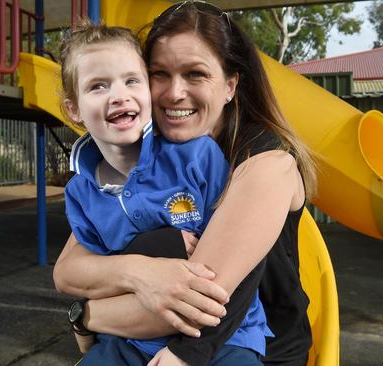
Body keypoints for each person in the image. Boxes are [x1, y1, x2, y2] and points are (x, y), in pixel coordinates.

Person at [53, 2, 318, 365]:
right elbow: (68, 271)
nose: (174, 93)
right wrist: (142, 272)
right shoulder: (139, 156)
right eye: (159, 74)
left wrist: (88, 315)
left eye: (195, 74)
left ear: (230, 85)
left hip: (244, 348)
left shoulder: (267, 162)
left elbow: (186, 304)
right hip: (144, 346)